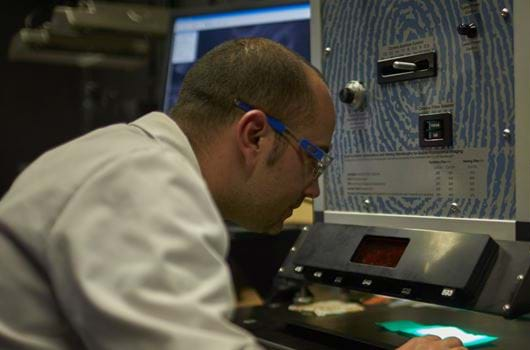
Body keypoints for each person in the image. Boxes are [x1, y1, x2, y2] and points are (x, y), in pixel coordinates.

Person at [0, 38, 465, 350]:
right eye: (313, 157)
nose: (313, 187)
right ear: (256, 135)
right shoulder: (143, 185)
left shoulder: (125, 157)